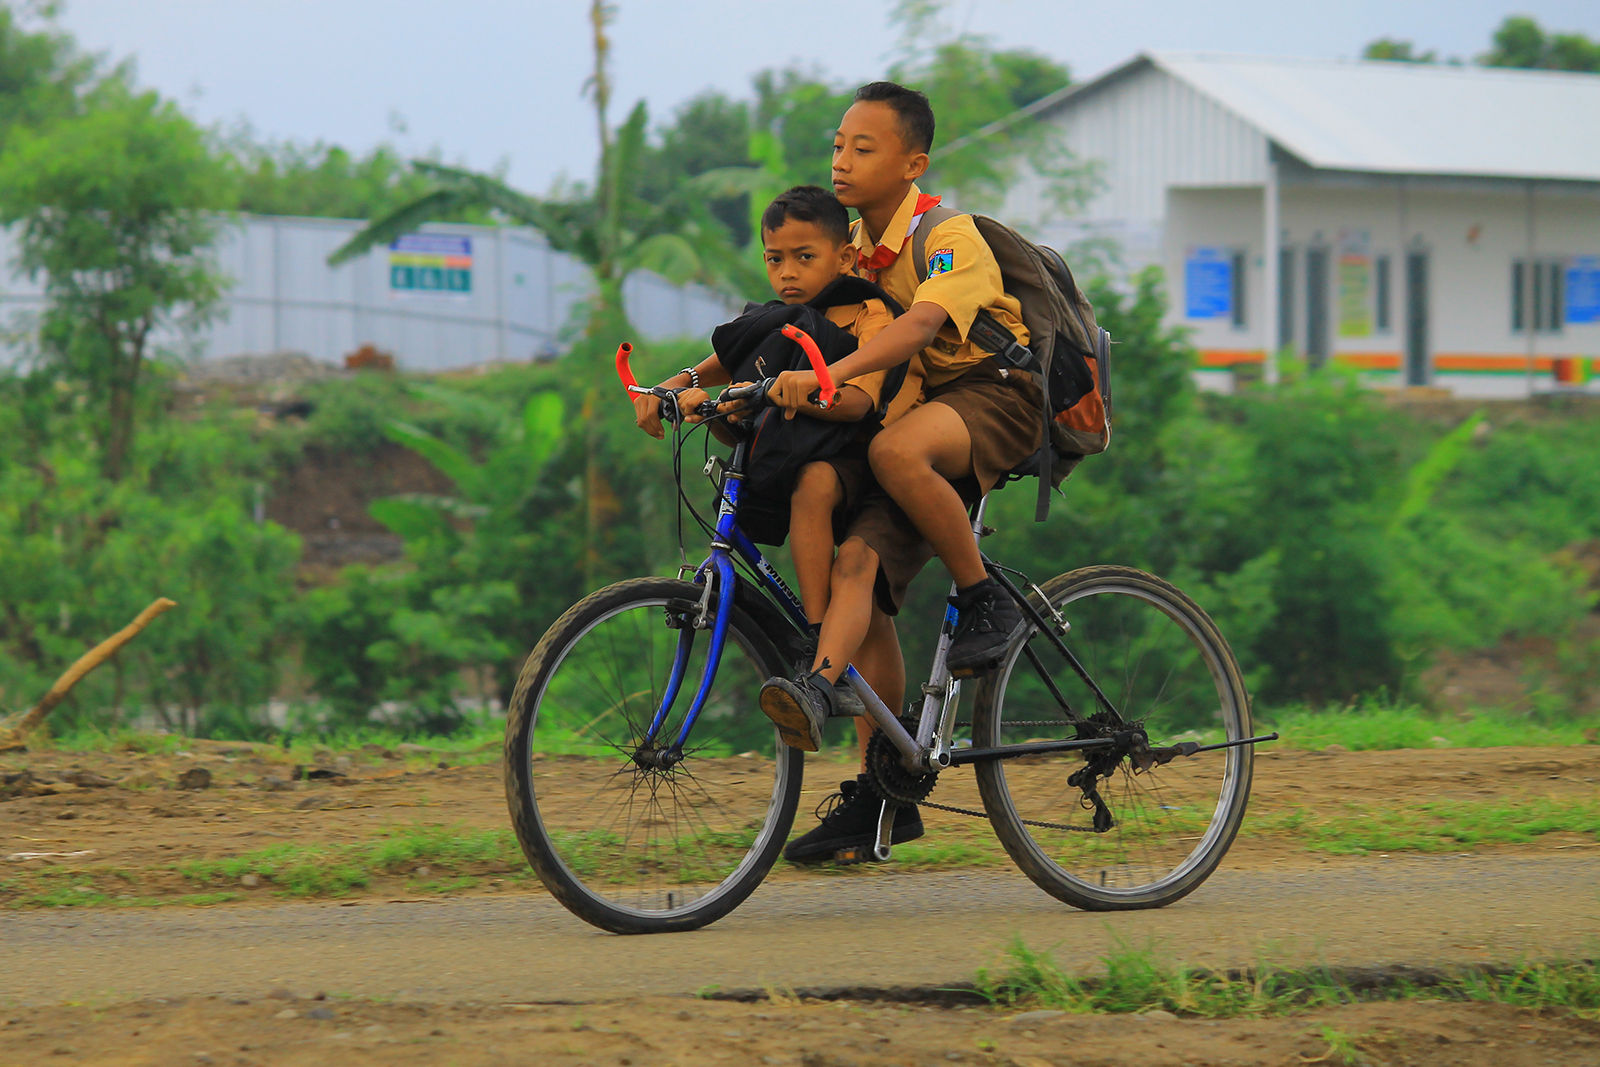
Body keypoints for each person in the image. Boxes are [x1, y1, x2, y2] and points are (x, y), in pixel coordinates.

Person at [758, 82, 1043, 785]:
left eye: (863, 148)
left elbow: (919, 326)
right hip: (920, 409)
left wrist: (835, 373)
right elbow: (784, 324)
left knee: (893, 450)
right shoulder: (848, 247)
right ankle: (881, 784)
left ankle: (985, 597)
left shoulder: (947, 235)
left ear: (913, 165)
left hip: (995, 393)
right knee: (861, 571)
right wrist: (691, 386)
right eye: (836, 147)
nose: (842, 162)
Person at [631, 186, 927, 861]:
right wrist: (671, 391)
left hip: (867, 463)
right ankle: (883, 788)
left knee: (818, 487)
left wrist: (813, 388)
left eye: (804, 255)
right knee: (870, 614)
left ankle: (819, 654)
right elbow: (718, 367)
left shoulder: (868, 309)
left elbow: (858, 401)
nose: (788, 271)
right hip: (799, 461)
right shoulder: (773, 318)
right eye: (774, 258)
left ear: (844, 253)